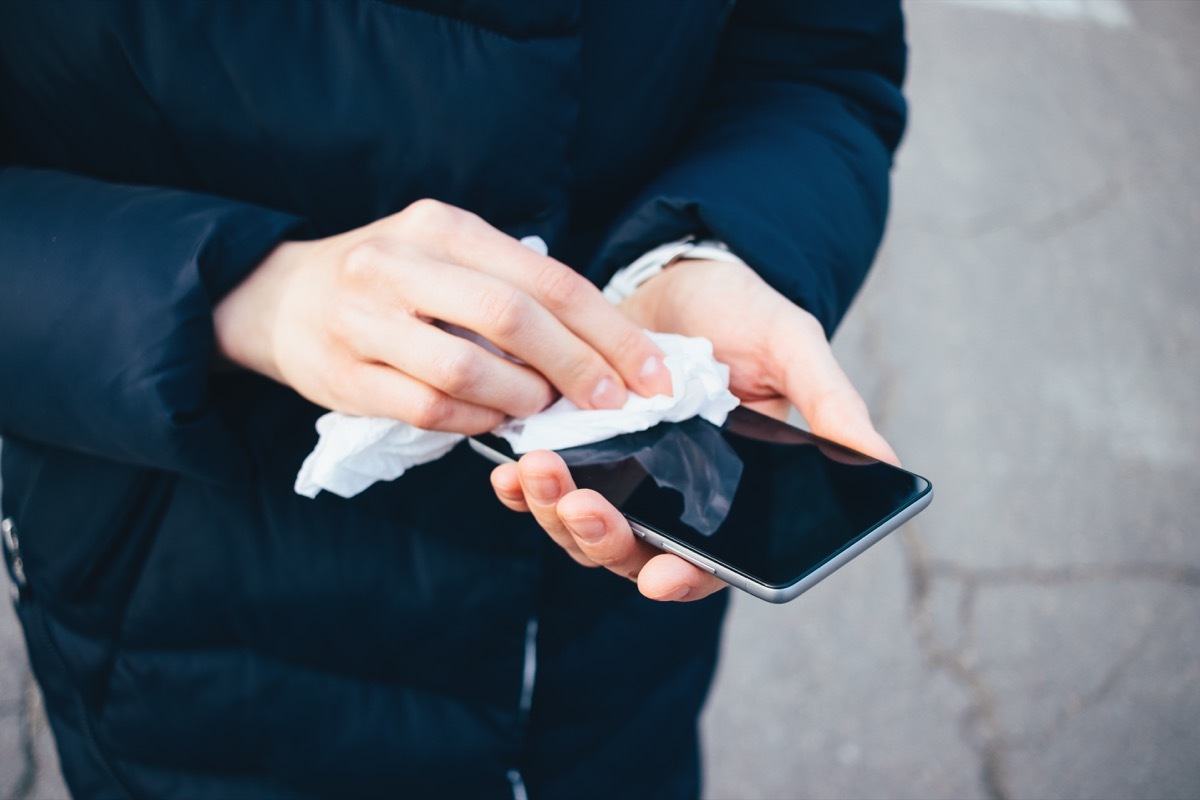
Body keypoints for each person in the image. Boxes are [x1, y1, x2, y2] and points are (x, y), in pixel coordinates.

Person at [0, 1, 906, 797]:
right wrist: (241, 298)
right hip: (184, 620)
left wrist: (710, 249)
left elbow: (812, 52)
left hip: (605, 628)